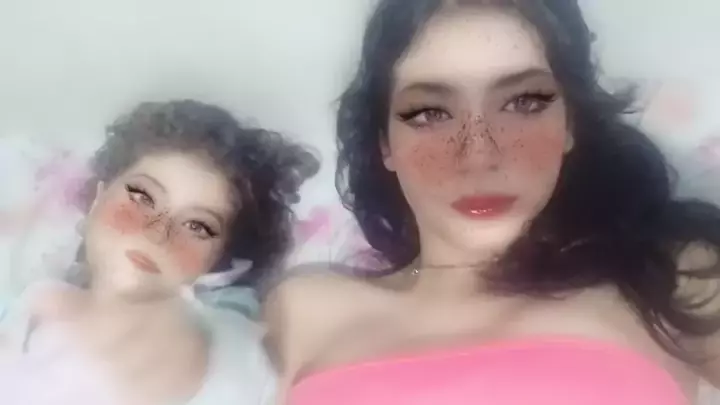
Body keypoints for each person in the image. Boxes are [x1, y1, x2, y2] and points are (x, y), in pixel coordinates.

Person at [263, 1, 720, 404]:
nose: (479, 155)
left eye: (524, 102)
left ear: (570, 125)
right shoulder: (304, 310)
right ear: (385, 144)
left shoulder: (674, 275)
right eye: (430, 113)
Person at [0, 99, 318, 405]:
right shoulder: (37, 304)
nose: (156, 235)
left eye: (197, 226)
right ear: (98, 196)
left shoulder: (242, 365)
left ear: (219, 261)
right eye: (142, 197)